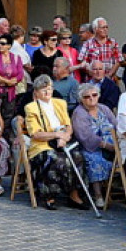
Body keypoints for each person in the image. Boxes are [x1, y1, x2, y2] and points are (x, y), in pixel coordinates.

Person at [24, 74, 87, 210]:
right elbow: (35, 133)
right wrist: (56, 135)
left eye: (50, 88)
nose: (48, 92)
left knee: (78, 156)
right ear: (36, 92)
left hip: (63, 141)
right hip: (42, 144)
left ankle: (74, 194)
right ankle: (49, 195)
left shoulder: (60, 103)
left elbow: (68, 125)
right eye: (44, 90)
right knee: (55, 158)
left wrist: (64, 137)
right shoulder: (31, 108)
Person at [72, 82, 116, 208]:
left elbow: (116, 125)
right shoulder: (79, 113)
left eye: (94, 95)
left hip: (113, 145)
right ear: (81, 99)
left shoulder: (104, 108)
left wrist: (118, 144)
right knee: (95, 159)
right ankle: (98, 195)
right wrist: (106, 146)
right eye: (87, 96)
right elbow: (85, 136)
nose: (91, 98)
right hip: (91, 147)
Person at [0, 35, 24, 104]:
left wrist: (12, 81)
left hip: (10, 92)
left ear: (9, 46)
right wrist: (8, 82)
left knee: (9, 113)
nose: (0, 45)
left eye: (3, 44)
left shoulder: (16, 58)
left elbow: (20, 74)